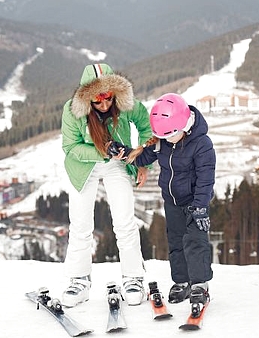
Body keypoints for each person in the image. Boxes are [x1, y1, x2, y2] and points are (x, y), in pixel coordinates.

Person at [60, 63, 152, 307]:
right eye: (98, 102)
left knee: (124, 220)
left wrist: (142, 162)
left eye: (108, 100)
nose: (104, 106)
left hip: (116, 163)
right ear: (87, 99)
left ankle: (133, 277)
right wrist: (101, 150)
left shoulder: (124, 105)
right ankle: (79, 279)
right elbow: (70, 148)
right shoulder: (72, 111)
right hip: (84, 166)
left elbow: (146, 127)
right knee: (80, 224)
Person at [122, 93, 215, 308]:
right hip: (172, 201)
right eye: (164, 136)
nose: (168, 140)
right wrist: (124, 152)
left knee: (196, 242)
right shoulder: (163, 141)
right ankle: (181, 281)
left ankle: (200, 284)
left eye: (172, 135)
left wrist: (200, 207)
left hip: (195, 203)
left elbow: (206, 178)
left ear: (184, 124)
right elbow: (144, 157)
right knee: (176, 242)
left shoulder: (202, 144)